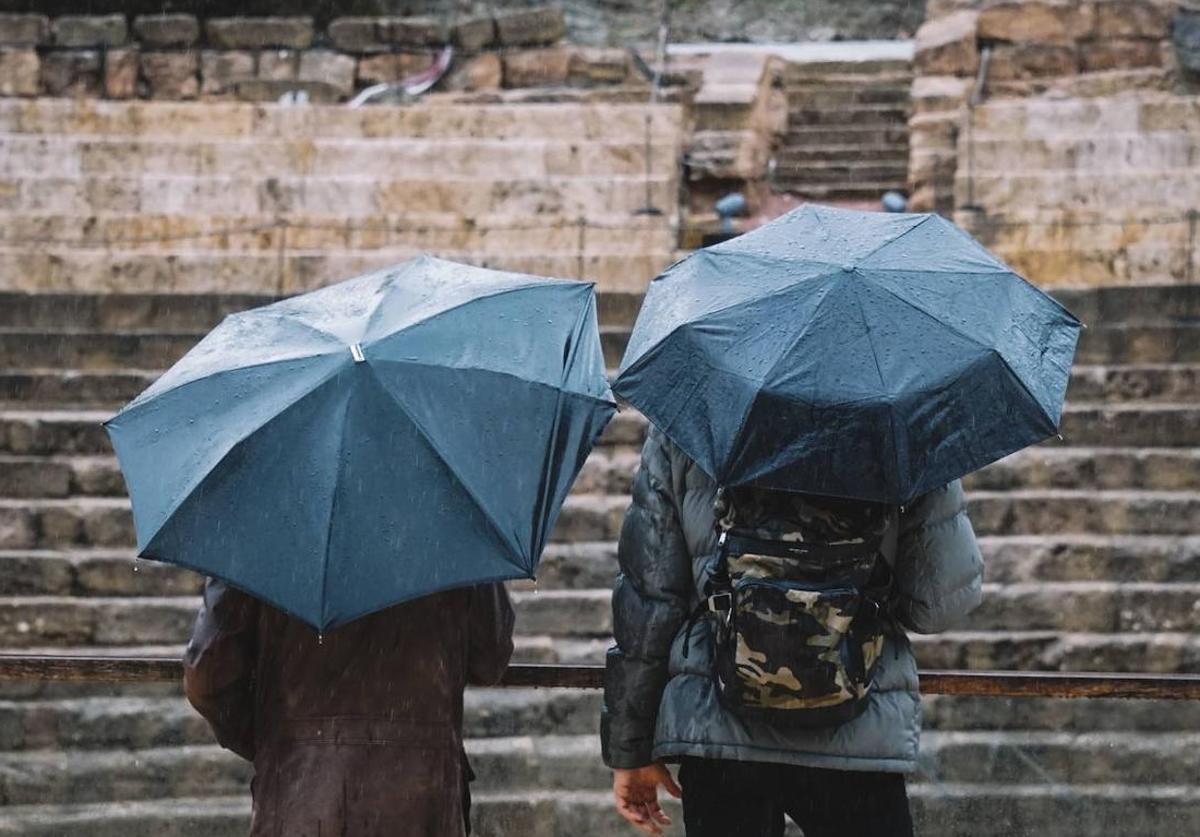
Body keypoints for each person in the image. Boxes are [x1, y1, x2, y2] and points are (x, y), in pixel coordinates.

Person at [601, 426, 984, 837]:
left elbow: (650, 604)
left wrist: (631, 747)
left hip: (719, 731)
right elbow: (937, 605)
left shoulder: (688, 420)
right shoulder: (905, 422)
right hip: (856, 732)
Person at [184, 578, 515, 837]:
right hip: (421, 795)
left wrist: (284, 745)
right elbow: (490, 658)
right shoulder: (455, 516)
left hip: (301, 794)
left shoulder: (263, 522)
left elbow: (208, 676)